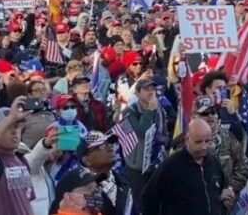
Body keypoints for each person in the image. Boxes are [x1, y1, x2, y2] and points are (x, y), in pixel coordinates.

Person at [141, 119, 233, 215]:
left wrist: (224, 198)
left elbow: (221, 189)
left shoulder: (213, 163)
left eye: (207, 141)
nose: (204, 146)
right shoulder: (171, 165)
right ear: (187, 139)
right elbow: (149, 198)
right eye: (198, 142)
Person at [51, 131, 133, 215]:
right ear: (87, 160)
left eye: (109, 142)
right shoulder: (72, 182)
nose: (110, 147)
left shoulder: (123, 180)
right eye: (101, 146)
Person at [120, 77, 167, 210]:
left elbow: (164, 131)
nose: (151, 92)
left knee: (155, 202)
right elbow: (141, 132)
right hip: (137, 167)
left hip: (155, 163)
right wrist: (149, 111)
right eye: (147, 89)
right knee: (139, 203)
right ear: (138, 93)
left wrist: (163, 140)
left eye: (153, 89)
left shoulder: (159, 110)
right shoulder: (129, 112)